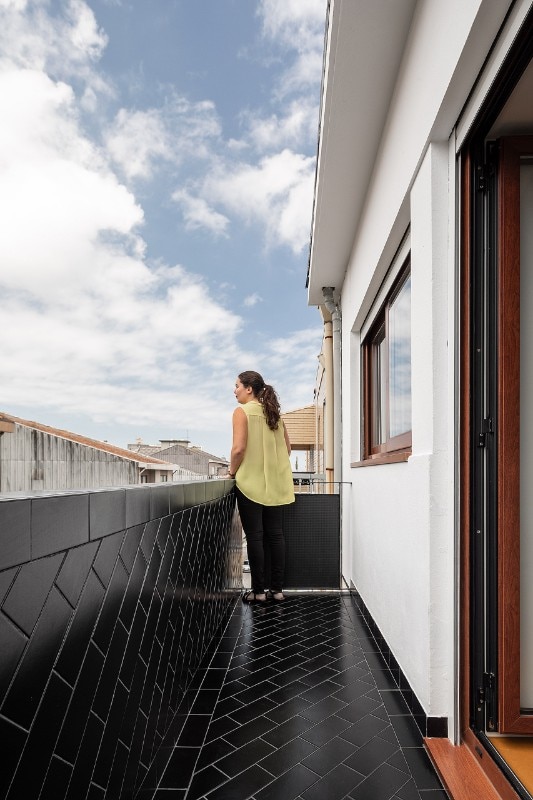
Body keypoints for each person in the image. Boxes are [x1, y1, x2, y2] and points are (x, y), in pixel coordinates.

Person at [227, 370, 295, 603]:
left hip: (249, 484)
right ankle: (277, 590)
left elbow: (238, 449)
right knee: (276, 535)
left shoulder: (242, 412)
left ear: (249, 389)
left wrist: (231, 472)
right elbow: (287, 449)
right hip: (276, 484)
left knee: (255, 537)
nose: (234, 391)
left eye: (237, 386)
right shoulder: (274, 413)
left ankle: (258, 592)